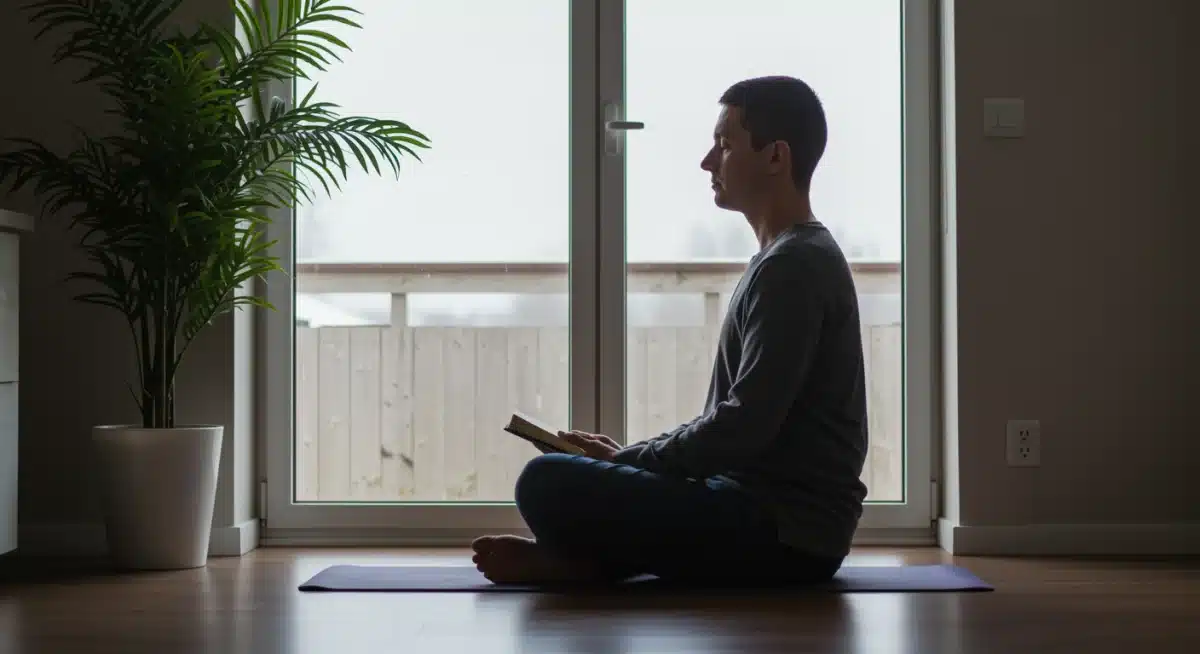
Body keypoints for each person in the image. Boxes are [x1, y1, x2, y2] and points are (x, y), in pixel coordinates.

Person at [472, 75, 869, 586]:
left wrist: (632, 460)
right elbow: (738, 427)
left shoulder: (794, 267)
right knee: (566, 477)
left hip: (785, 534)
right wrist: (632, 462)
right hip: (762, 515)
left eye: (725, 145)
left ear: (776, 157)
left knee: (545, 481)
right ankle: (591, 562)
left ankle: (585, 565)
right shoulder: (783, 259)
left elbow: (745, 426)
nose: (708, 161)